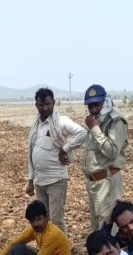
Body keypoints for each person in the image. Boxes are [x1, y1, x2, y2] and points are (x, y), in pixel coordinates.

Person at [24, 87, 87, 234]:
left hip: (56, 180)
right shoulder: (36, 125)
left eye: (48, 104)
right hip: (39, 181)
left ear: (54, 103)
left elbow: (83, 133)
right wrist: (30, 180)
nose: (45, 108)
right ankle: (47, 247)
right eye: (41, 105)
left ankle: (62, 249)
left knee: (57, 221)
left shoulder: (61, 121)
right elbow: (31, 154)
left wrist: (65, 149)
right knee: (42, 221)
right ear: (36, 105)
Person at [81, 84, 128, 232]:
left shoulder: (115, 121)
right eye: (90, 105)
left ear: (104, 101)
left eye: (97, 104)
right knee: (96, 225)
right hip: (94, 182)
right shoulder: (96, 120)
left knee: (107, 225)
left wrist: (95, 129)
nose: (93, 108)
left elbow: (112, 152)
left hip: (107, 181)